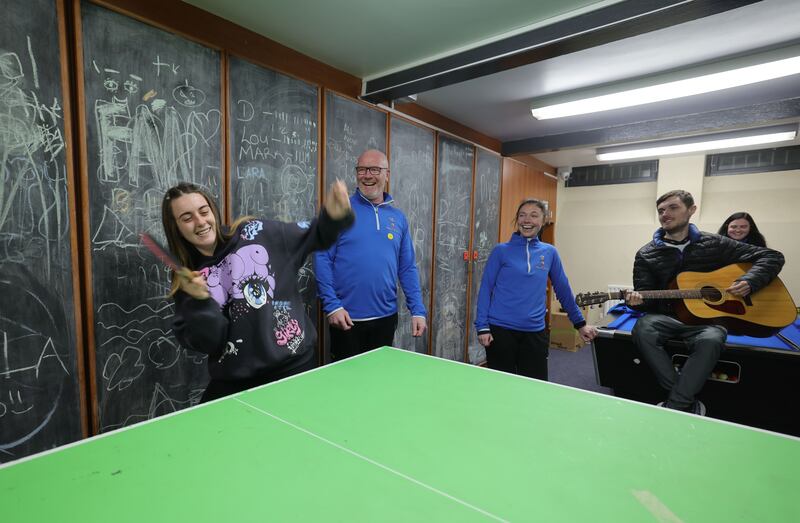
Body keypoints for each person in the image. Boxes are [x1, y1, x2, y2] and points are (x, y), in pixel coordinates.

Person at [163, 180, 353, 402]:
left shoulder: (257, 233)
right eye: (187, 218)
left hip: (292, 368)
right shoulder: (187, 280)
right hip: (236, 381)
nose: (200, 221)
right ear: (175, 227)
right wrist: (199, 301)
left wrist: (333, 216)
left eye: (204, 211)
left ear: (213, 211)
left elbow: (315, 235)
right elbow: (210, 343)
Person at [626, 190, 784, 415]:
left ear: (691, 210)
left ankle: (676, 405)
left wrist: (750, 281)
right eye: (661, 210)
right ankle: (685, 402)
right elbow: (646, 298)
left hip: (709, 321)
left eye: (673, 208)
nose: (665, 214)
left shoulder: (716, 243)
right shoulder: (646, 254)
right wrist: (636, 302)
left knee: (713, 338)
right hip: (668, 317)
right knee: (643, 328)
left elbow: (772, 256)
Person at [314, 149, 427, 361]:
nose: (367, 175)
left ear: (387, 174)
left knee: (378, 383)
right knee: (346, 386)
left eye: (375, 169)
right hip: (345, 318)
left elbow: (407, 267)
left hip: (386, 319)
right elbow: (322, 258)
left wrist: (417, 310)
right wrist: (332, 305)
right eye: (362, 169)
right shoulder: (338, 209)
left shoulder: (398, 218)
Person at [474, 199, 597, 379]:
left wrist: (580, 324)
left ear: (543, 220)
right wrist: (482, 327)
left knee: (535, 389)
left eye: (534, 215)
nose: (527, 220)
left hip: (534, 332)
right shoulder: (501, 251)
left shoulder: (550, 252)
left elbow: (563, 289)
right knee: (500, 388)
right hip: (500, 331)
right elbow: (485, 289)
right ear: (517, 220)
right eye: (522, 215)